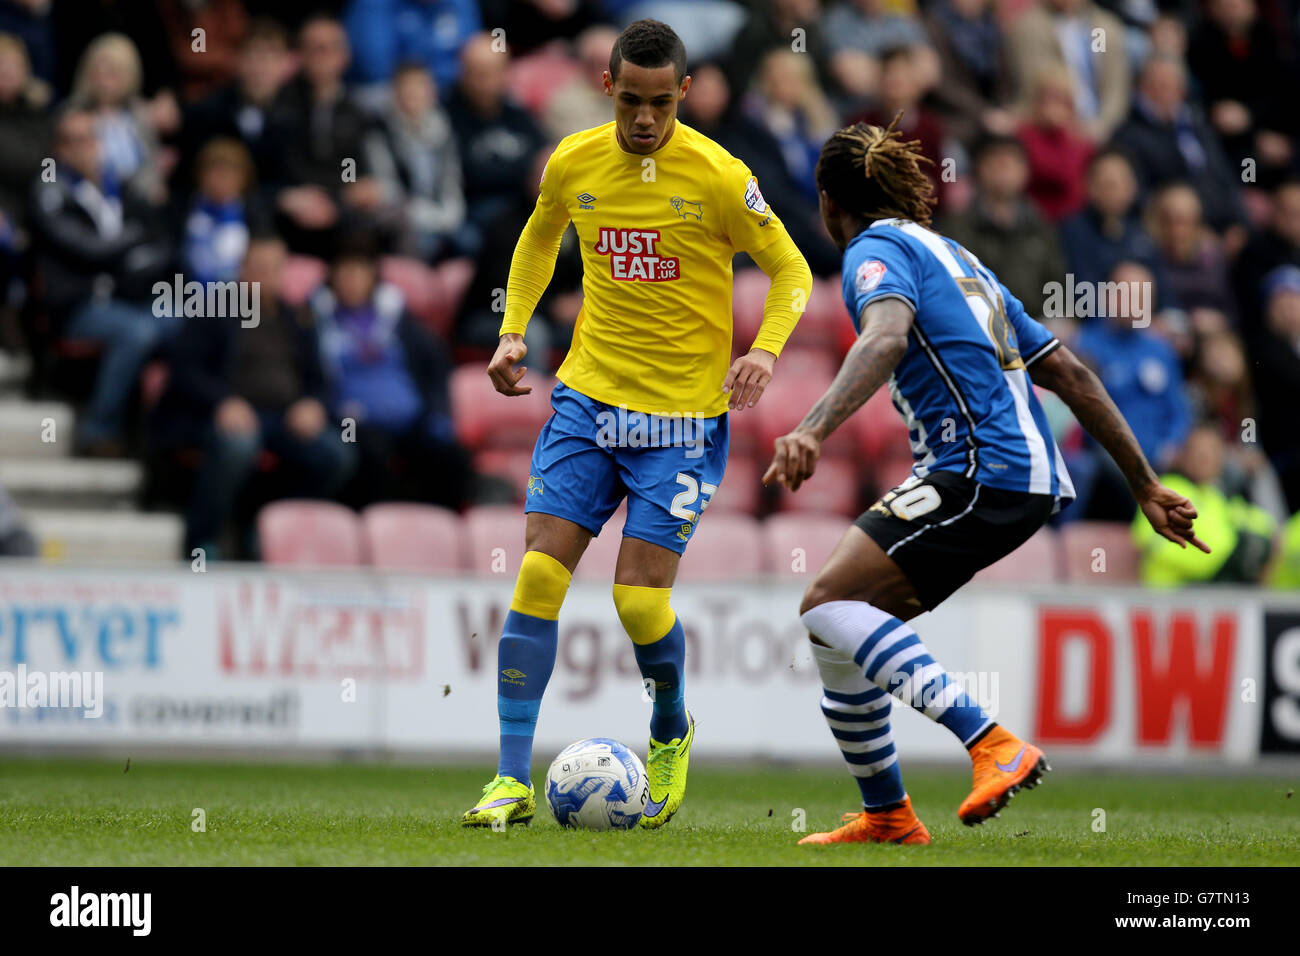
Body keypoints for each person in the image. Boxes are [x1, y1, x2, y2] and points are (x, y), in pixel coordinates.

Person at [762, 117, 1209, 845]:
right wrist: (1145, 485)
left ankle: (991, 742)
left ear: (828, 202)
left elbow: (885, 336)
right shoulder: (958, 257)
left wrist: (812, 427)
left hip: (978, 467)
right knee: (838, 628)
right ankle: (887, 816)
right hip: (1019, 473)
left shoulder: (873, 250)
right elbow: (1067, 371)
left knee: (824, 603)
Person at [460, 19, 812, 830]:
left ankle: (670, 726)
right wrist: (514, 327)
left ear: (683, 93)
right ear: (607, 87)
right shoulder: (575, 160)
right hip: (588, 401)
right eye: (631, 99)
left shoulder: (721, 177)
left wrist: (763, 351)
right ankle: (511, 779)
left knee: (638, 604)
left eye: (661, 102)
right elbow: (539, 237)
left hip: (682, 421)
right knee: (541, 575)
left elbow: (791, 270)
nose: (645, 118)